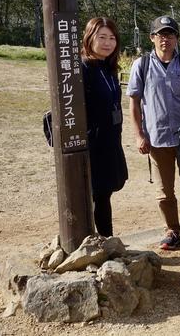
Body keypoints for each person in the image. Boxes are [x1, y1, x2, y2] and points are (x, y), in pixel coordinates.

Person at [127, 15, 180, 250]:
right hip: (157, 138)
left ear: (177, 38)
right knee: (164, 191)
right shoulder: (142, 65)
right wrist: (139, 135)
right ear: (152, 38)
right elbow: (134, 102)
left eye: (169, 34)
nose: (165, 39)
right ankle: (172, 230)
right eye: (160, 35)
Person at [81, 17, 129, 237]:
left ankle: (107, 241)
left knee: (103, 195)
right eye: (102, 37)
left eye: (112, 38)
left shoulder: (108, 68)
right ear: (89, 38)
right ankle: (91, 243)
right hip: (91, 145)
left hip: (109, 141)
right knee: (91, 196)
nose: (108, 42)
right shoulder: (81, 68)